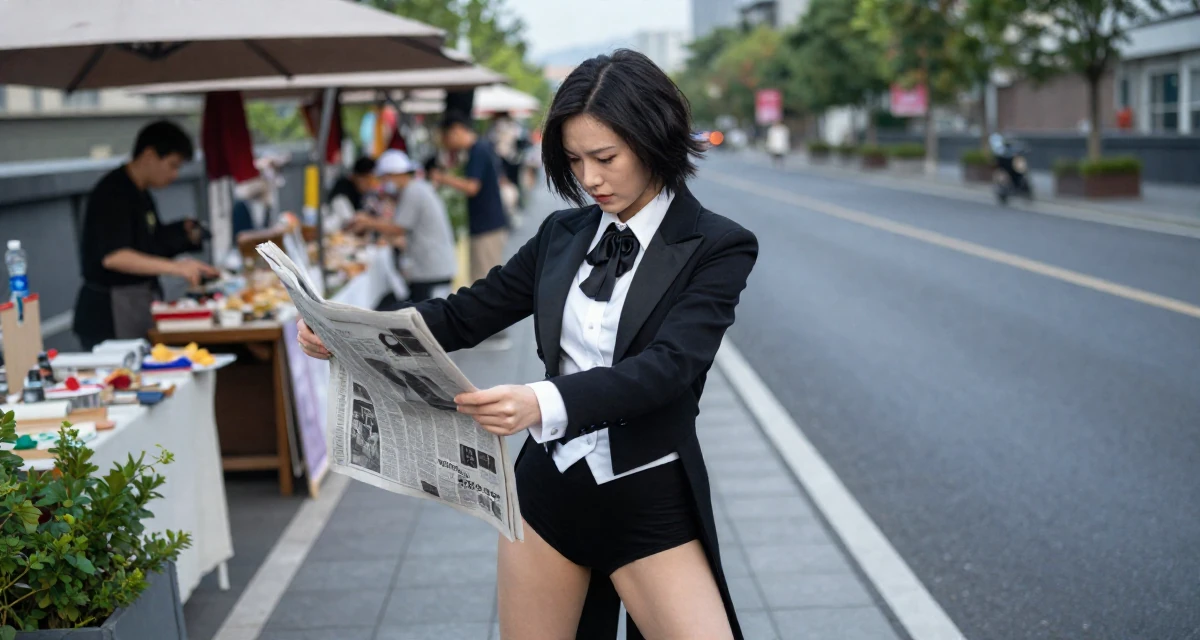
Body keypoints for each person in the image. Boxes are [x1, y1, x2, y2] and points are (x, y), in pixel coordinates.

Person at [298, 49, 758, 640]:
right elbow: (467, 314)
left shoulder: (717, 245)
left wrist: (542, 403)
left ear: (655, 140)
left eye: (606, 157)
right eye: (575, 160)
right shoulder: (562, 234)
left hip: (647, 498)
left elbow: (669, 368)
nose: (590, 179)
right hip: (547, 490)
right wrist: (353, 330)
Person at [73, 120, 218, 350]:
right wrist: (177, 268)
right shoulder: (113, 192)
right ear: (149, 155)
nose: (174, 174)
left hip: (138, 302)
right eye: (172, 165)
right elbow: (115, 256)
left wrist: (183, 236)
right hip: (109, 311)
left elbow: (150, 243)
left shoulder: (142, 194)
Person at [350, 150, 457, 303]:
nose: (383, 183)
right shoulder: (417, 188)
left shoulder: (413, 191)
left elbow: (398, 227)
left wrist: (368, 222)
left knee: (427, 319)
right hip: (432, 267)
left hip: (432, 270)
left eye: (384, 178)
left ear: (395, 174)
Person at [429, 111, 509, 286]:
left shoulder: (478, 150)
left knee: (486, 282)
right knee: (481, 279)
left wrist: (443, 178)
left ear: (456, 130)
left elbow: (472, 187)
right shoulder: (478, 149)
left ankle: (490, 314)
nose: (445, 143)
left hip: (487, 227)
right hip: (484, 225)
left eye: (445, 137)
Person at [328, 156, 377, 228]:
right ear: (356, 176)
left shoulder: (359, 191)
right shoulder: (342, 191)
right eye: (367, 180)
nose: (370, 185)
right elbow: (350, 222)